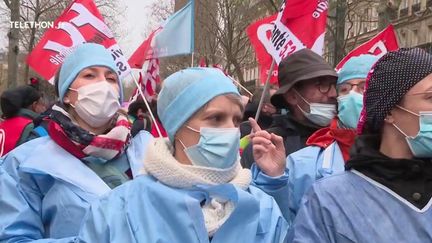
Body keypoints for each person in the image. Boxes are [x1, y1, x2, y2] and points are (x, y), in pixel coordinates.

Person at [75, 67, 289, 242]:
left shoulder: (262, 206)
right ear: (178, 126)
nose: (231, 130)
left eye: (235, 120)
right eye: (215, 118)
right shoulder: (119, 209)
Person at [0, 43, 152, 241]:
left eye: (111, 78)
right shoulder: (22, 164)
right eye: (89, 75)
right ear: (67, 94)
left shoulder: (149, 148)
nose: (103, 85)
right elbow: (14, 238)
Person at [288, 48, 432, 242]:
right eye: (430, 97)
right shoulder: (328, 201)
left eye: (362, 87)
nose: (353, 96)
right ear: (388, 110)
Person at [284, 54, 379, 220]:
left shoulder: (408, 153)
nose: (352, 96)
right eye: (344, 89)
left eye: (364, 87)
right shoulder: (301, 163)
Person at [241, 48, 338, 169]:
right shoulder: (265, 147)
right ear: (292, 97)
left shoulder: (345, 138)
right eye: (323, 85)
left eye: (335, 85)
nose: (333, 93)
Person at [0, 85, 46, 157]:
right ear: (34, 105)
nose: (44, 108)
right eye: (42, 105)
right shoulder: (33, 127)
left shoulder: (2, 125)